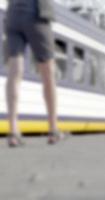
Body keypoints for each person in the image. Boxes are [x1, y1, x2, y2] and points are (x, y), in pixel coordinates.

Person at [5, 0, 64, 147]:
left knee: (14, 70)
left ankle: (13, 132)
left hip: (13, 13)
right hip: (36, 11)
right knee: (48, 71)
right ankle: (53, 130)